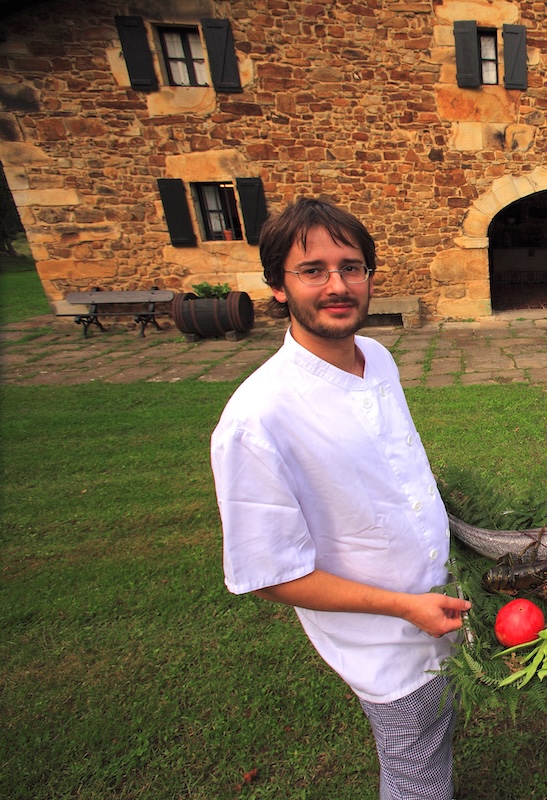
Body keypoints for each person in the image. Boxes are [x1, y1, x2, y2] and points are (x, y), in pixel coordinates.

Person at [211, 198, 471, 800]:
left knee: (438, 729)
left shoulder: (375, 358)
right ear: (278, 287)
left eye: (351, 267)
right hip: (382, 638)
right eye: (313, 270)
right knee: (415, 772)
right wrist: (407, 607)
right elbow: (269, 574)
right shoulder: (257, 419)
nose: (337, 285)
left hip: (439, 603)